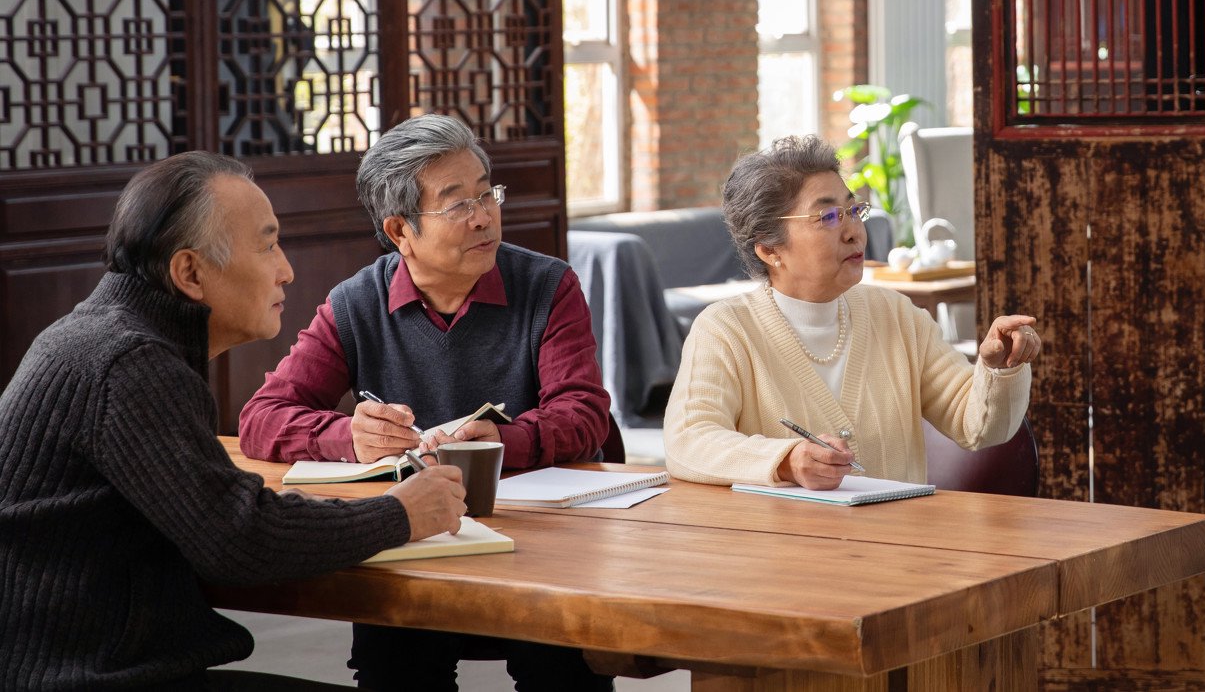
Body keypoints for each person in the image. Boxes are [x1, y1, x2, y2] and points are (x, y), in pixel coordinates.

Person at [0, 152, 468, 691]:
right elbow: (238, 538)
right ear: (190, 272)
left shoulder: (103, 339)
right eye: (267, 245)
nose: (286, 269)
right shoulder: (128, 364)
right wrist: (400, 513)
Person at [238, 114, 613, 691]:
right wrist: (351, 437)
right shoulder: (357, 303)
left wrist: (500, 443)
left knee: (561, 669)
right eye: (456, 203)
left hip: (542, 541)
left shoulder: (548, 286)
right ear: (400, 231)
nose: (485, 215)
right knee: (396, 667)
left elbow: (584, 414)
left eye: (487, 192)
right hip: (413, 538)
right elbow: (262, 417)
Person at [662, 135, 1041, 490]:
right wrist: (785, 461)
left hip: (897, 548)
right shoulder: (726, 330)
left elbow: (978, 426)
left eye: (853, 210)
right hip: (784, 553)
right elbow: (689, 440)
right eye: (828, 218)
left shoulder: (895, 315)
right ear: (768, 249)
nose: (854, 232)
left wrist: (997, 369)